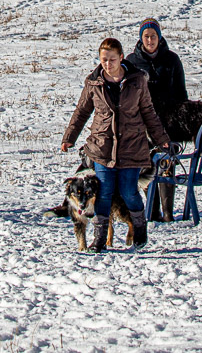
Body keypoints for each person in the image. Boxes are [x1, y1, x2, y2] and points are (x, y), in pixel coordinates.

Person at [62, 37, 172, 251]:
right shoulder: (93, 82)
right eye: (104, 59)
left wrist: (162, 140)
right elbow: (82, 111)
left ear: (121, 58)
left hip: (131, 147)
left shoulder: (137, 80)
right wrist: (69, 137)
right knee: (103, 193)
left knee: (128, 191)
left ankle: (140, 231)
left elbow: (148, 112)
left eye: (112, 59)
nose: (108, 64)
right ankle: (100, 239)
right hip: (102, 148)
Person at [125, 18, 187, 130]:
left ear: (159, 36)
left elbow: (180, 90)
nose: (150, 40)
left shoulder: (172, 59)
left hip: (169, 117)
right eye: (146, 36)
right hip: (141, 119)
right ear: (141, 38)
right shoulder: (131, 61)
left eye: (153, 36)